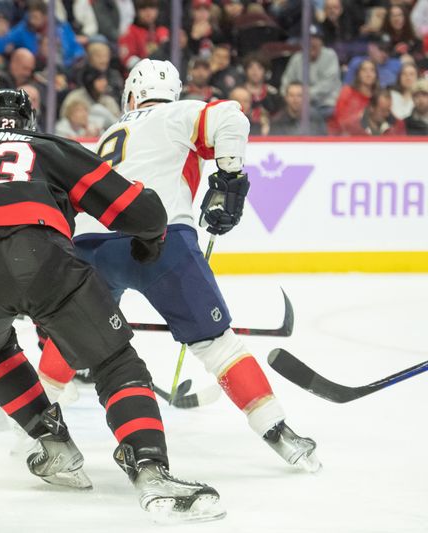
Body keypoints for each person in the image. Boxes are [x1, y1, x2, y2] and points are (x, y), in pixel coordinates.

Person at [0, 88, 225, 523]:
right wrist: (151, 241)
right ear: (28, 122)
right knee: (114, 360)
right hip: (36, 256)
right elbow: (136, 210)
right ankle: (150, 468)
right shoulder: (45, 146)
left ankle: (51, 442)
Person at [37, 59, 321, 473]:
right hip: (161, 239)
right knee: (217, 345)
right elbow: (231, 116)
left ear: (131, 94)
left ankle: (38, 432)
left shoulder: (108, 135)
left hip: (91, 246)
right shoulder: (178, 112)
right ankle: (279, 432)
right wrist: (229, 182)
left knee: (69, 339)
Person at [279, 24, 342, 118]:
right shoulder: (297, 58)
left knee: (312, 115)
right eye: (308, 39)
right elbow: (286, 80)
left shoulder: (330, 56)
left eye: (315, 39)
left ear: (321, 42)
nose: (312, 42)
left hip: (325, 104)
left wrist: (303, 96)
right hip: (300, 105)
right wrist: (286, 94)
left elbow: (327, 86)